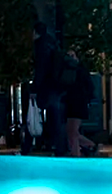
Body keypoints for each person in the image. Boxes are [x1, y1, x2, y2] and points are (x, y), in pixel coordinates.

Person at [31, 21, 67, 156]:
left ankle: (42, 144)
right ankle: (59, 146)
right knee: (56, 117)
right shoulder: (52, 42)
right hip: (56, 86)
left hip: (47, 86)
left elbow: (40, 69)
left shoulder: (40, 45)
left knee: (38, 114)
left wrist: (34, 88)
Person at [62, 50, 98, 157]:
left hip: (77, 103)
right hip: (75, 103)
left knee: (72, 131)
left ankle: (78, 152)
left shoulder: (78, 71)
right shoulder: (75, 71)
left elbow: (88, 87)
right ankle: (87, 147)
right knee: (72, 131)